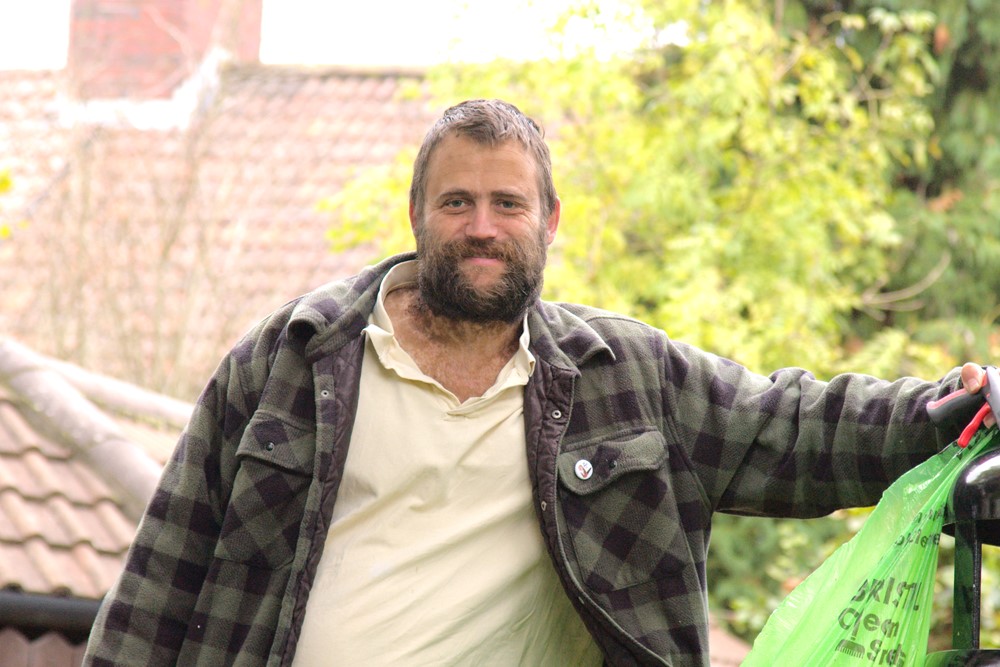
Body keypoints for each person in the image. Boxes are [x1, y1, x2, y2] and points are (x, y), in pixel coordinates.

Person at [84, 99, 992, 667]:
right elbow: (162, 579)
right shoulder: (290, 359)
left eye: (508, 204)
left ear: (549, 221)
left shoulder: (624, 377)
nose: (483, 226)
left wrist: (932, 411)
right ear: (417, 216)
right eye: (457, 202)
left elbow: (785, 426)